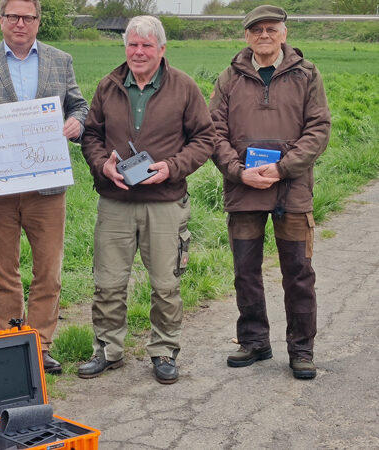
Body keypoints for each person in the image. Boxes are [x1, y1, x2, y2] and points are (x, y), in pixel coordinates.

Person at [79, 15, 215, 384]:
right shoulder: (108, 86)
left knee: (166, 284)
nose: (138, 52)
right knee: (107, 282)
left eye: (146, 45)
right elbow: (90, 135)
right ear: (125, 47)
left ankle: (164, 350)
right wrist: (101, 165)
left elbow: (205, 139)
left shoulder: (184, 87)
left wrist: (173, 167)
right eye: (132, 45)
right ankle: (107, 349)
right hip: (115, 202)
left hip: (165, 203)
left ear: (161, 50)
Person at [0, 0, 88, 374]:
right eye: (13, 16)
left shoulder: (59, 60)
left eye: (28, 17)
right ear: (1, 20)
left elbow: (79, 106)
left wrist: (75, 124)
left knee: (48, 270)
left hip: (46, 188)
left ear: (38, 21)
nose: (20, 23)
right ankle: (12, 341)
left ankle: (41, 345)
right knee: (4, 272)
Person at [209, 5, 330, 380]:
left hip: (291, 192)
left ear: (283, 32)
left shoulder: (307, 75)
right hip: (243, 190)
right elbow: (214, 132)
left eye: (271, 28)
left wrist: (282, 168)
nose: (264, 34)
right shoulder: (229, 78)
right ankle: (255, 340)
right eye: (256, 29)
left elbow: (319, 130)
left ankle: (301, 350)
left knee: (298, 272)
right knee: (245, 270)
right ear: (247, 36)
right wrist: (237, 171)